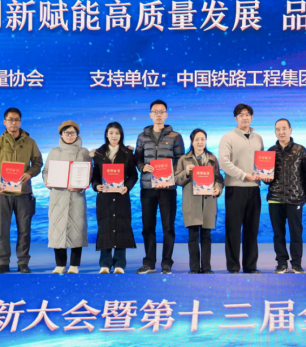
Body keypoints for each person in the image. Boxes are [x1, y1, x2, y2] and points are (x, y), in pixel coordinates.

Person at [0, 107, 43, 274]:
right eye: (10, 119)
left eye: (16, 119)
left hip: (23, 194)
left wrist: (30, 173)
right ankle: (3, 263)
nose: (13, 122)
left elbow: (38, 162)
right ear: (4, 122)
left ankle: (23, 262)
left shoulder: (30, 142)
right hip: (2, 194)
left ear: (20, 121)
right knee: (2, 230)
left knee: (24, 230)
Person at [134, 100, 185, 275]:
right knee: (148, 227)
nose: (158, 114)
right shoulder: (142, 136)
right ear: (150, 115)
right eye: (155, 111)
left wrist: (170, 177)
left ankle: (166, 263)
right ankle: (149, 263)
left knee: (168, 227)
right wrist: (142, 167)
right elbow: (137, 158)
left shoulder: (175, 136)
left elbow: (180, 160)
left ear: (166, 114)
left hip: (168, 189)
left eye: (161, 111)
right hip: (148, 188)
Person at [262, 119, 306, 274]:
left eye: (284, 128)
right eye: (278, 129)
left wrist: (305, 197)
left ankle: (296, 264)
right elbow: (266, 176)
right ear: (275, 132)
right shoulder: (270, 152)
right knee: (278, 234)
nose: (281, 132)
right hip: (275, 198)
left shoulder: (301, 150)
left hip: (295, 199)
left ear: (290, 130)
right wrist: (265, 180)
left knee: (296, 233)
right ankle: (281, 264)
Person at [219, 103, 265, 274]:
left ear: (251, 117)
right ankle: (233, 266)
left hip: (254, 189)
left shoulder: (258, 138)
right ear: (235, 118)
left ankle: (250, 266)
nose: (244, 117)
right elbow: (224, 163)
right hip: (235, 188)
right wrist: (243, 175)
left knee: (252, 229)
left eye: (247, 114)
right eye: (241, 115)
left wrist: (264, 175)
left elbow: (263, 162)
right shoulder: (228, 137)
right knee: (233, 229)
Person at [42, 121, 91, 274]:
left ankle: (74, 265)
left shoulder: (84, 152)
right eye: (66, 133)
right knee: (57, 228)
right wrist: (47, 181)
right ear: (61, 134)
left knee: (77, 229)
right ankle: (60, 264)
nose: (69, 135)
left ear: (77, 134)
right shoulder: (54, 152)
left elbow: (89, 172)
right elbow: (46, 171)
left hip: (76, 196)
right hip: (58, 195)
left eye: (72, 133)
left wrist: (81, 185)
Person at [175, 129, 224, 274]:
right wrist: (186, 172)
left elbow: (218, 178)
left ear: (206, 141)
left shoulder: (212, 158)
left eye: (202, 139)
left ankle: (206, 267)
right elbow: (176, 179)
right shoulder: (184, 159)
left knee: (206, 236)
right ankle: (194, 268)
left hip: (208, 202)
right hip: (192, 202)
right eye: (197, 139)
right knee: (193, 236)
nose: (200, 142)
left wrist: (217, 188)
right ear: (192, 142)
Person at [91, 122, 138, 274]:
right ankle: (104, 264)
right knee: (105, 227)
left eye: (117, 133)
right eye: (111, 133)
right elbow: (95, 176)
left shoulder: (127, 153)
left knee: (121, 227)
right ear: (106, 134)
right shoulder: (98, 153)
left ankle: (119, 264)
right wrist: (96, 186)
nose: (114, 136)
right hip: (104, 197)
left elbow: (133, 175)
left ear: (121, 135)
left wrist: (127, 187)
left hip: (121, 196)